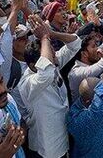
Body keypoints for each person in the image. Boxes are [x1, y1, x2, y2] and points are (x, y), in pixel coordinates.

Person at [18, 15, 81, 158]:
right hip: (46, 149)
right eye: (51, 55)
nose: (55, 57)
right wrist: (44, 38)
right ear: (34, 66)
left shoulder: (53, 64)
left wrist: (51, 33)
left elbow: (75, 43)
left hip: (63, 140)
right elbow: (45, 74)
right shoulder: (27, 82)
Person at [66, 36, 103, 158]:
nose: (97, 49)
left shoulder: (95, 105)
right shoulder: (79, 121)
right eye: (93, 46)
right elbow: (102, 100)